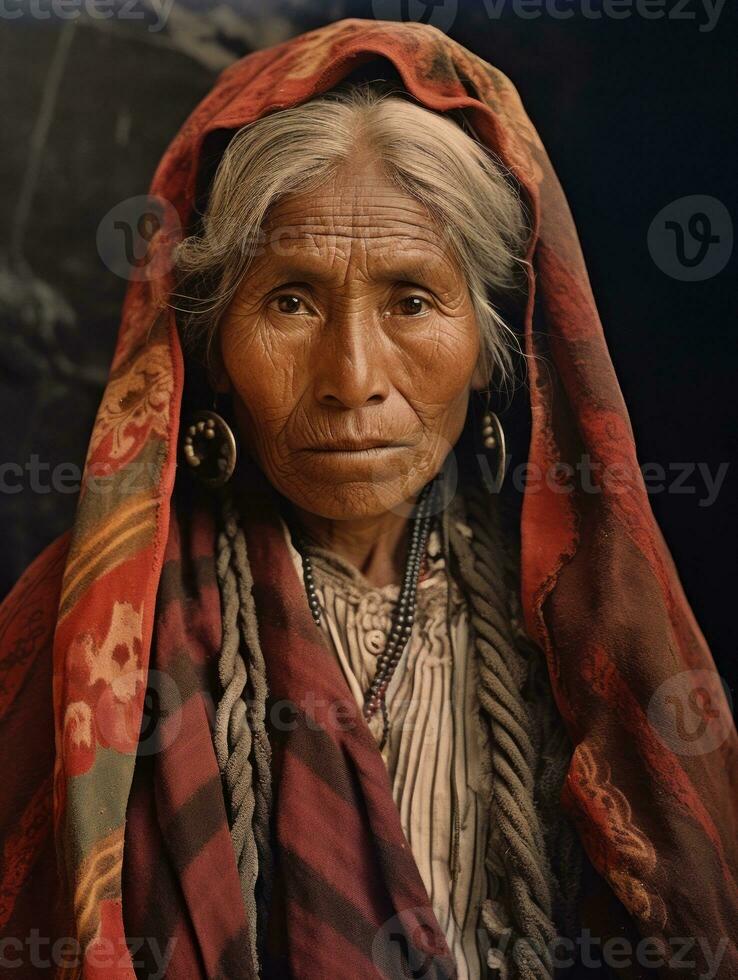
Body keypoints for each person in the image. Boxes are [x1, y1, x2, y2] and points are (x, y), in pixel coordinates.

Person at [0, 17, 735, 980]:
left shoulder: (585, 649)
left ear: (488, 349)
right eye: (290, 301)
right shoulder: (78, 646)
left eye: (412, 300)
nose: (353, 377)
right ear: (212, 353)